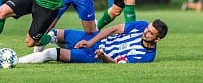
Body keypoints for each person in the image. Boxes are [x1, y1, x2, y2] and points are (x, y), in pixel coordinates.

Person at [18, 19, 168, 64]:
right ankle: (33, 57)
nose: (145, 32)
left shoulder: (146, 57)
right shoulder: (141, 26)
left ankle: (16, 61)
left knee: (50, 53)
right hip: (94, 39)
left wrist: (103, 56)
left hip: (95, 56)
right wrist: (91, 41)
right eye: (147, 29)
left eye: (150, 33)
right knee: (53, 34)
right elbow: (113, 29)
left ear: (158, 39)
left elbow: (118, 64)